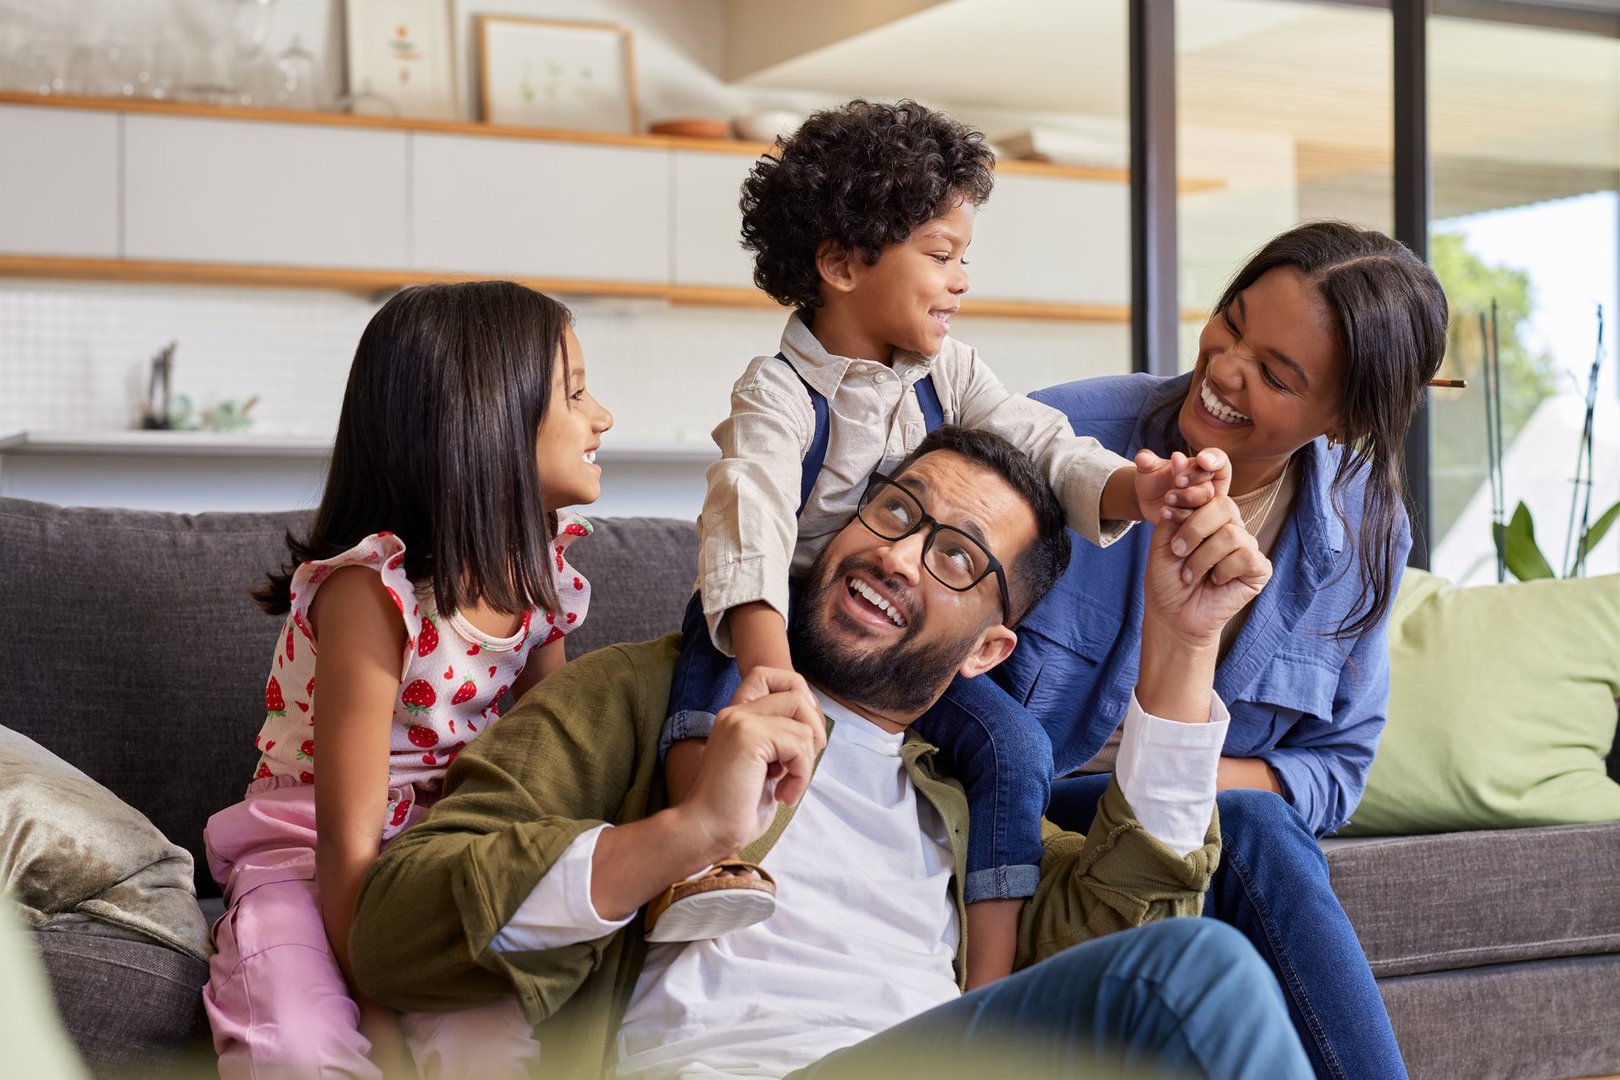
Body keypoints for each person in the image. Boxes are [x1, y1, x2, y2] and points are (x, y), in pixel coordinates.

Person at [348, 425, 1312, 1080]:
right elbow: (391, 931)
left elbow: (1125, 921)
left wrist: (1184, 643)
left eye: (956, 558)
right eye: (895, 512)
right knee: (1196, 972)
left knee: (1185, 969)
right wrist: (686, 833)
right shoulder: (642, 698)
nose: (898, 555)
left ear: (989, 650)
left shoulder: (982, 809)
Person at [657, 98, 1223, 988]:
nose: (960, 279)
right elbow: (747, 526)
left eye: (965, 258)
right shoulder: (776, 394)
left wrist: (1135, 488)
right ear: (841, 263)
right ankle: (703, 863)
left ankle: (990, 986)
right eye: (940, 255)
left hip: (887, 646)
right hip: (777, 613)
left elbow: (1042, 441)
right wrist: (769, 670)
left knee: (1016, 750)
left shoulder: (947, 373)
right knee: (705, 706)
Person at [998, 221, 1448, 1080]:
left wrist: (1174, 775)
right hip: (1035, 820)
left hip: (1197, 833)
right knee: (1253, 830)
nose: (1226, 367)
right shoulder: (1064, 439)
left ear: (1344, 418)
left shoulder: (1364, 525)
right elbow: (926, 681)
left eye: (1278, 374)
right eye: (1231, 322)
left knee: (1245, 829)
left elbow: (1339, 767)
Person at [201, 281, 615, 1079]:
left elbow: (547, 769)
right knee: (299, 1042)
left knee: (491, 1048)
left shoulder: (542, 580)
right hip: (310, 860)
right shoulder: (370, 592)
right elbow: (346, 853)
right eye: (574, 392)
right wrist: (384, 1027)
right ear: (484, 422)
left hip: (446, 860)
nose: (602, 415)